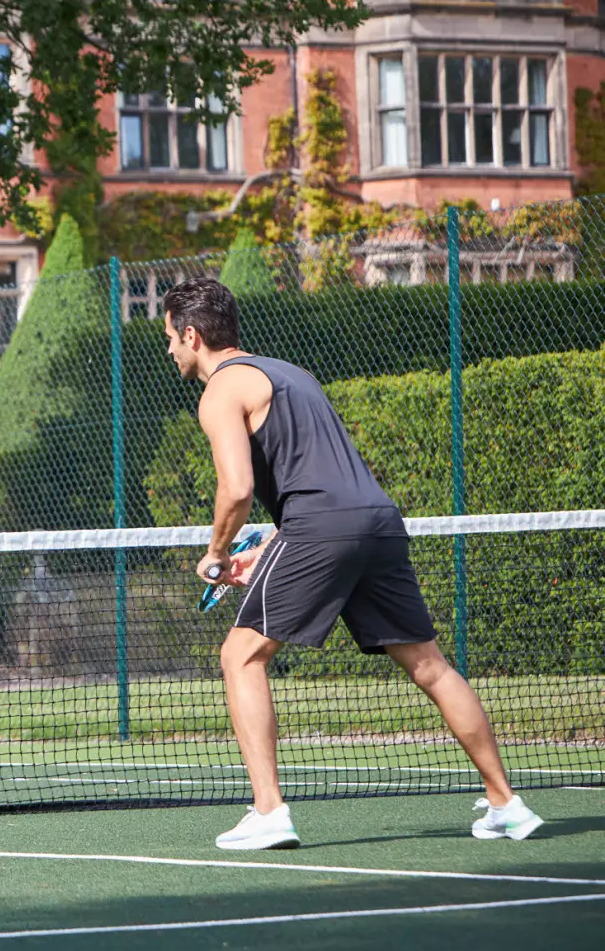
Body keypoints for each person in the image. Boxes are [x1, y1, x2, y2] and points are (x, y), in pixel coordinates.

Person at [160, 278, 539, 851]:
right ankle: (507, 805)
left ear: (192, 335)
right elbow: (323, 477)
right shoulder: (293, 375)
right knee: (430, 665)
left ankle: (268, 812)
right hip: (377, 521)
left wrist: (216, 554)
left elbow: (237, 489)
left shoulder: (219, 391)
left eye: (170, 337)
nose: (169, 350)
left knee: (240, 654)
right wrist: (267, 550)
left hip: (320, 526)